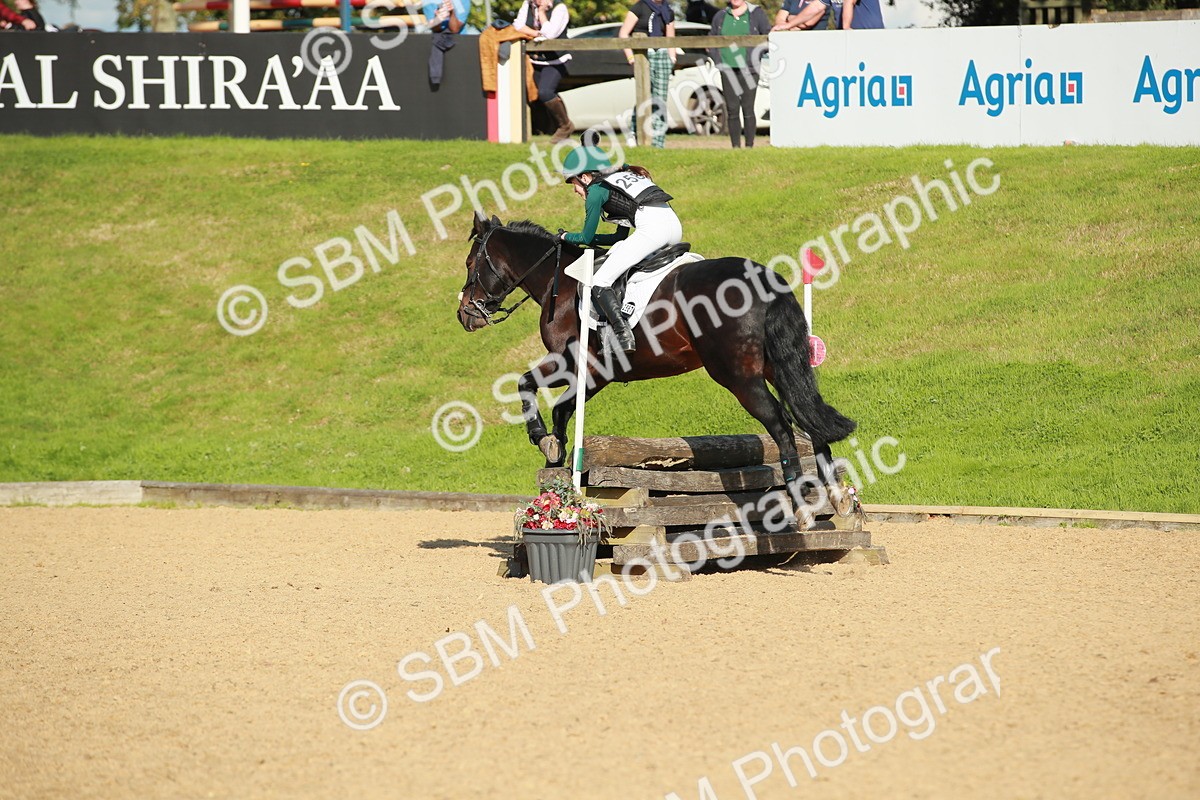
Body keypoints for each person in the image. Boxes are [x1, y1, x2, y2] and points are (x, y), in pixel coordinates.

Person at [557, 145, 682, 352]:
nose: (575, 190)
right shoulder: (619, 180)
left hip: (653, 231)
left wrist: (564, 236)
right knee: (619, 251)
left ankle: (623, 336)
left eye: (574, 183)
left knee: (599, 281)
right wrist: (578, 238)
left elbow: (586, 237)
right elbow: (618, 237)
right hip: (675, 228)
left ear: (585, 177)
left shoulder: (596, 192)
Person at [707, 0, 770, 148]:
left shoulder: (756, 14)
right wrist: (718, 60)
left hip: (750, 69)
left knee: (748, 107)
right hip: (728, 68)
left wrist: (757, 56)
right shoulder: (721, 16)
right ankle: (735, 146)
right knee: (732, 108)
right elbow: (712, 39)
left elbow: (767, 37)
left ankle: (749, 145)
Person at [617, 0, 679, 149]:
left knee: (660, 99)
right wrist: (631, 57)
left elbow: (670, 37)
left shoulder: (667, 10)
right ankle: (634, 132)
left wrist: (672, 58)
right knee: (644, 96)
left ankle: (658, 142)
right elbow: (624, 33)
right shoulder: (639, 7)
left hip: (662, 54)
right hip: (643, 55)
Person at [514, 0, 575, 143]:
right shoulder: (528, 4)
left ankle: (565, 125)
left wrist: (541, 13)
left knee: (545, 92)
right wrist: (536, 33)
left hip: (556, 60)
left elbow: (551, 33)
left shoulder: (560, 8)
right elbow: (517, 25)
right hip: (534, 60)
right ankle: (554, 127)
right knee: (537, 95)